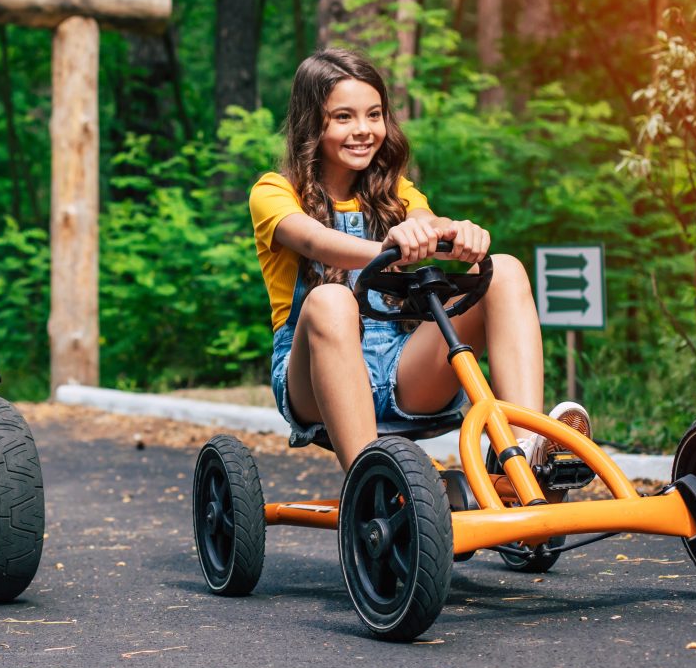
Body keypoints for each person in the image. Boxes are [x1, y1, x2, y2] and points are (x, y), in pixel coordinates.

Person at [250, 48, 588, 473]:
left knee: (504, 268)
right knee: (331, 299)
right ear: (311, 123)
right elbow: (314, 241)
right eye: (344, 117)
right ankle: (371, 480)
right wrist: (389, 247)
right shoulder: (274, 191)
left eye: (374, 115)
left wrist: (458, 235)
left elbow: (427, 222)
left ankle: (526, 453)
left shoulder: (396, 192)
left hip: (403, 370)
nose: (363, 130)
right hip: (313, 382)